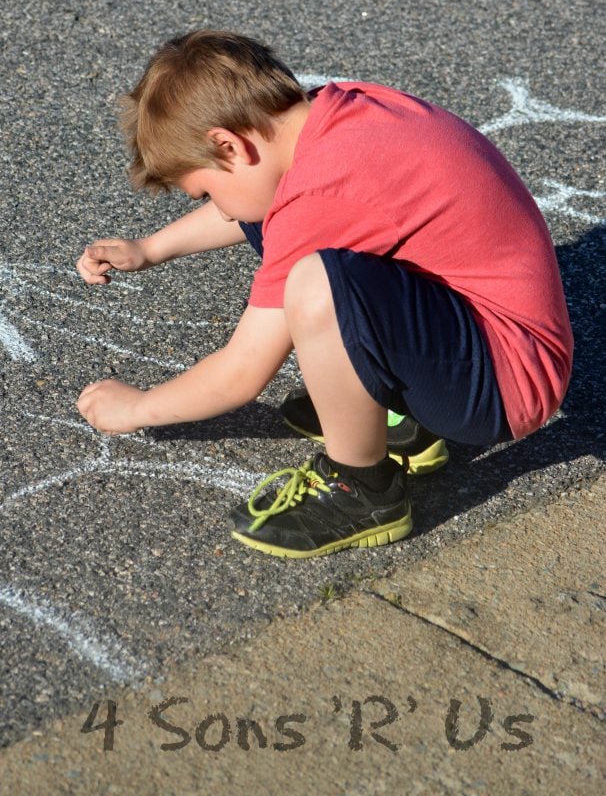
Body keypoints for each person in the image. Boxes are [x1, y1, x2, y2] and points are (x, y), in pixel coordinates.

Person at [75, 30, 573, 559]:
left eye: (204, 190)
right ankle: (398, 424)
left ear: (228, 144)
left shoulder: (325, 189)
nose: (211, 202)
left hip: (503, 384)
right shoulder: (337, 113)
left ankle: (363, 490)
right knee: (273, 220)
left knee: (319, 284)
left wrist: (137, 408)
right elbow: (251, 204)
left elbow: (241, 373)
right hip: (477, 335)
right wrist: (151, 248)